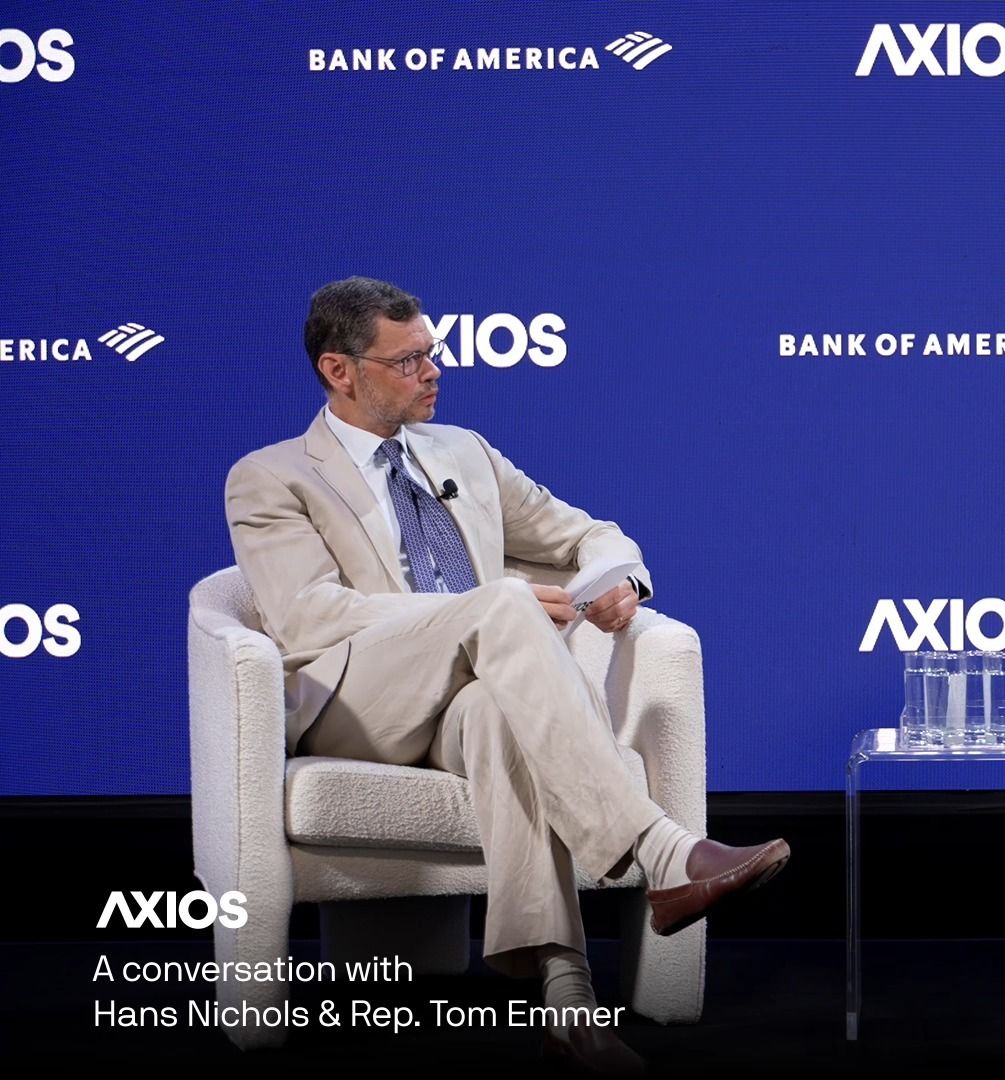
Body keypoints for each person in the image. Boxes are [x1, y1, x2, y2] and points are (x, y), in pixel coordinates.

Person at [226, 276, 790, 1075]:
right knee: (499, 605)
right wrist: (481, 608)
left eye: (434, 352)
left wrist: (616, 579)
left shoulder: (464, 452)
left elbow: (589, 533)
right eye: (409, 359)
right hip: (356, 701)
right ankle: (664, 855)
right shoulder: (272, 476)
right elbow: (309, 617)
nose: (434, 371)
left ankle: (568, 999)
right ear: (338, 371)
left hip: (468, 696)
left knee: (501, 714)